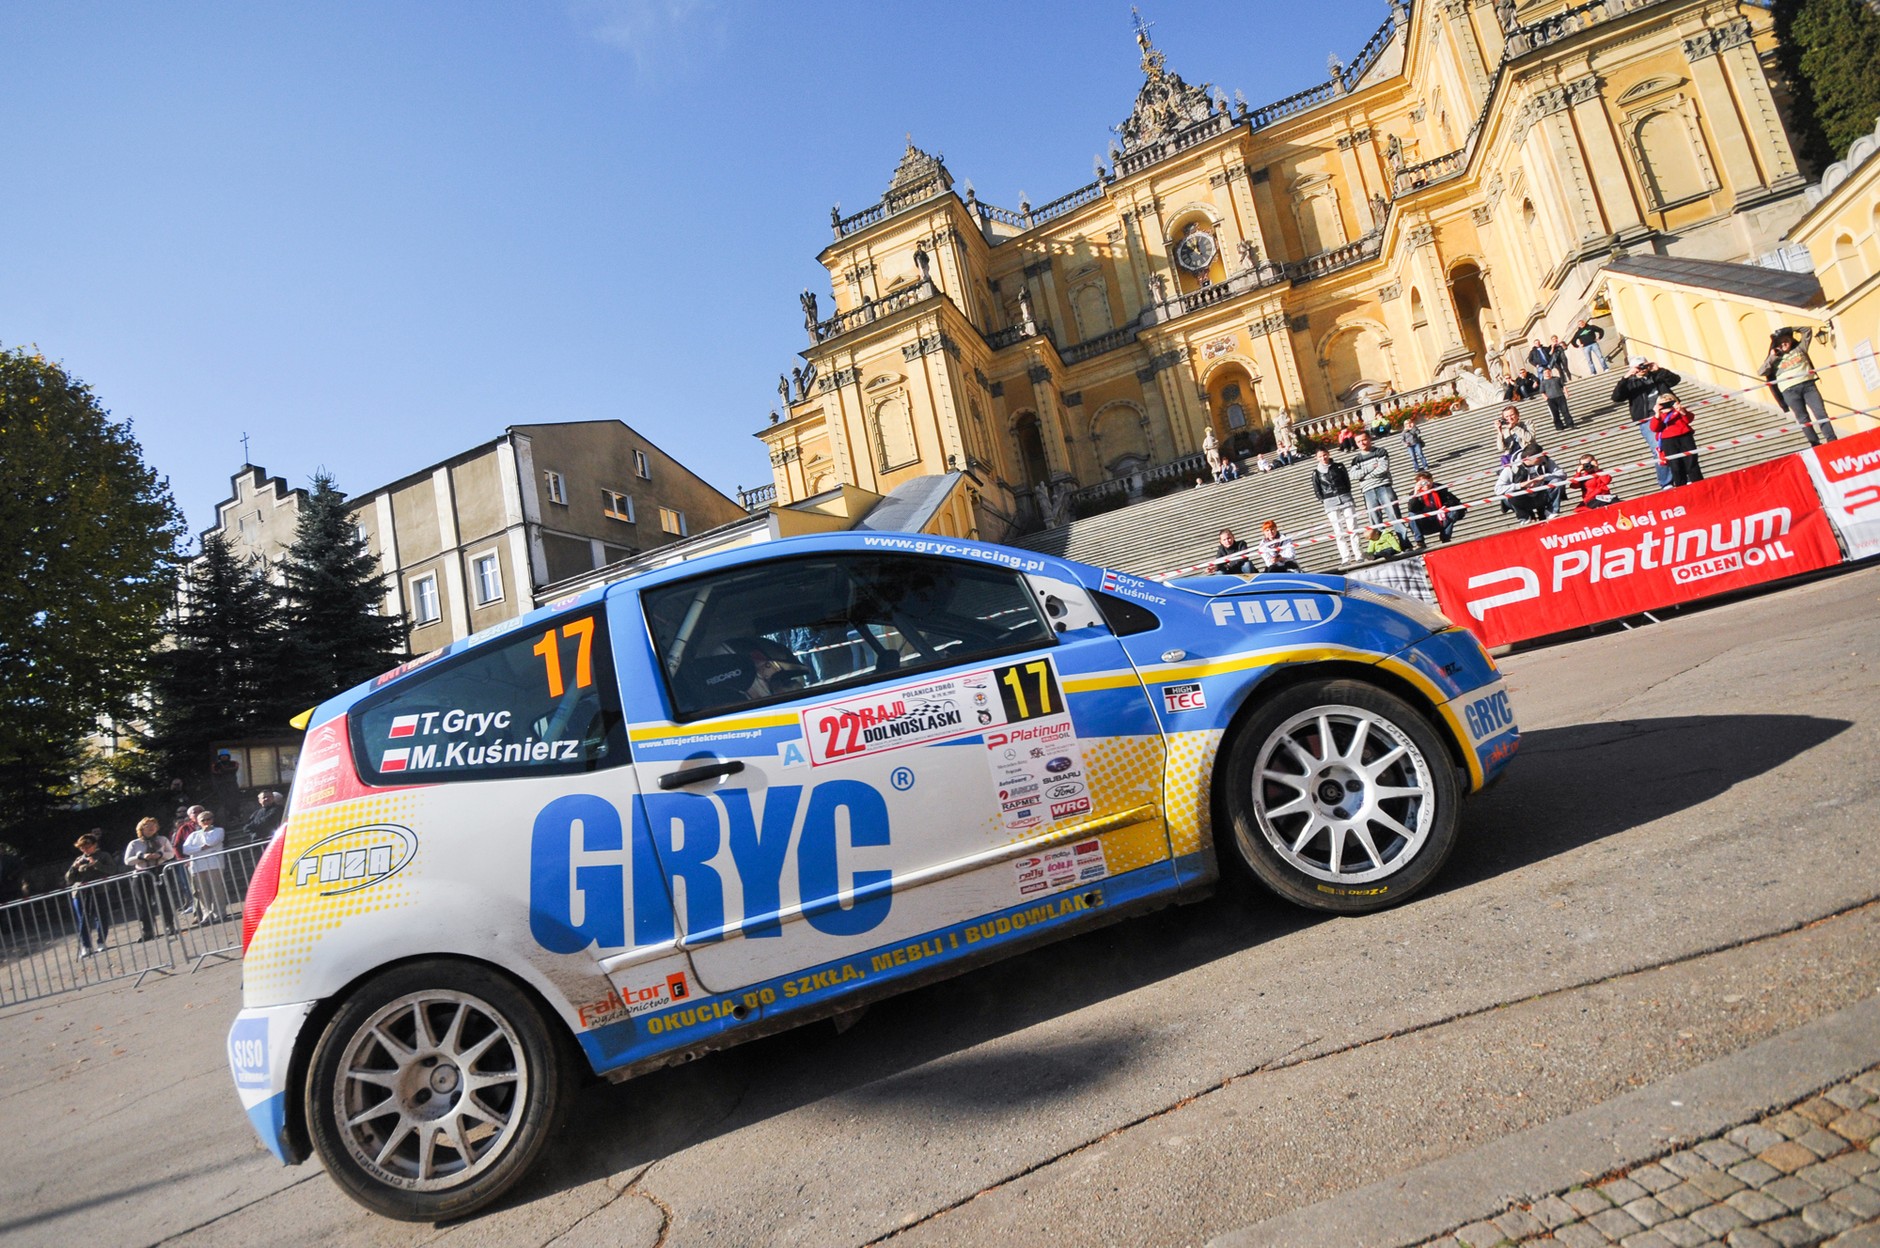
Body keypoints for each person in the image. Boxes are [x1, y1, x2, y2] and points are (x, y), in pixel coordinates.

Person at [1611, 357, 1682, 489]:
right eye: (1639, 367)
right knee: (1659, 449)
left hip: (1669, 414)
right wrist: (1626, 377)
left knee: (1678, 446)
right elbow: (1616, 397)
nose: (1642, 369)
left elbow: (1675, 380)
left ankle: (1683, 477)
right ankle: (1666, 482)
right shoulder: (1631, 382)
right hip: (1647, 419)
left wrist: (1658, 369)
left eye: (1644, 366)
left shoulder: (1657, 376)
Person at [1761, 327, 1838, 447]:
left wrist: (1791, 328)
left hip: (1809, 386)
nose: (1784, 343)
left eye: (1786, 340)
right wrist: (1772, 357)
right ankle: (1815, 444)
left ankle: (1832, 440)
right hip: (1789, 391)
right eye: (1781, 342)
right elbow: (1762, 372)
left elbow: (1807, 331)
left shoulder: (1800, 348)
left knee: (1820, 413)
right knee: (1803, 419)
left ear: (1791, 340)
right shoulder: (1774, 358)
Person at [1349, 431, 1414, 547]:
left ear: (1369, 439)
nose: (1362, 443)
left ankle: (1405, 543)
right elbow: (1353, 475)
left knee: (1394, 515)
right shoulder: (1356, 460)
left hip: (1384, 486)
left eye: (1364, 440)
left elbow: (1383, 469)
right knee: (1375, 520)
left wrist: (1364, 476)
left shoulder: (1380, 452)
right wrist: (1370, 468)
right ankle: (1383, 546)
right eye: (1358, 442)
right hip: (1368, 491)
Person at [123, 816, 178, 940]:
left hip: (159, 871)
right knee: (143, 903)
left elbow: (171, 853)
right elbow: (127, 861)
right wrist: (142, 856)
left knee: (164, 899)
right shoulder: (134, 843)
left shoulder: (162, 839)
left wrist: (160, 854)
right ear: (141, 828)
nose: (151, 828)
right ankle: (147, 930)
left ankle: (170, 925)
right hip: (142, 874)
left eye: (153, 825)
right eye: (147, 826)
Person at [1310, 449, 1362, 565]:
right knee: (1338, 531)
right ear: (1317, 458)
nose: (1323, 458)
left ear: (1328, 454)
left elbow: (1347, 482)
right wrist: (1324, 500)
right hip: (1330, 501)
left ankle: (1358, 554)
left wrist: (1345, 492)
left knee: (1352, 527)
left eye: (1324, 455)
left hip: (1345, 497)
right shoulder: (1316, 473)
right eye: (1320, 456)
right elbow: (1317, 489)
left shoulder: (1339, 466)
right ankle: (1345, 557)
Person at [66, 832, 113, 957]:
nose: (85, 850)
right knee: (83, 919)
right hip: (80, 893)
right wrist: (74, 868)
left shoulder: (103, 856)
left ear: (95, 845)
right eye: (82, 847)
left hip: (99, 890)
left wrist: (96, 864)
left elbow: (112, 870)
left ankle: (101, 942)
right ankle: (86, 945)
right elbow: (69, 879)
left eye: (88, 846)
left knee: (101, 916)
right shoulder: (78, 859)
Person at [182, 809, 229, 926]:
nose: (207, 821)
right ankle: (206, 914)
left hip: (214, 864)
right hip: (197, 866)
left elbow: (211, 842)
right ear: (198, 822)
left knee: (216, 889)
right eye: (203, 820)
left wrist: (203, 837)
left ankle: (219, 913)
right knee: (202, 892)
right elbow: (186, 849)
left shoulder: (219, 830)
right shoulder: (193, 835)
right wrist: (201, 848)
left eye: (209, 819)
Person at [1649, 393, 1703, 487]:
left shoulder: (1678, 411)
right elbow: (1654, 428)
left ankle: (1698, 484)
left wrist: (1681, 410)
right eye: (1663, 403)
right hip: (1668, 441)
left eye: (1669, 401)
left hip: (1685, 437)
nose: (1667, 404)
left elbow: (1689, 419)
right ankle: (1680, 487)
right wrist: (1657, 414)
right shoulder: (1660, 416)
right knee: (1675, 466)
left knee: (1692, 463)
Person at [1406, 471, 1468, 543]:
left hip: (1441, 518)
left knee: (1453, 511)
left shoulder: (1440, 489)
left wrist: (1445, 506)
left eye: (1428, 481)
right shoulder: (1414, 493)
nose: (1426, 484)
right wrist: (1416, 494)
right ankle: (1420, 541)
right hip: (1425, 522)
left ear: (1432, 480)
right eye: (1423, 482)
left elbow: (1454, 501)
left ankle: (1445, 538)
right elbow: (1412, 509)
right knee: (1411, 515)